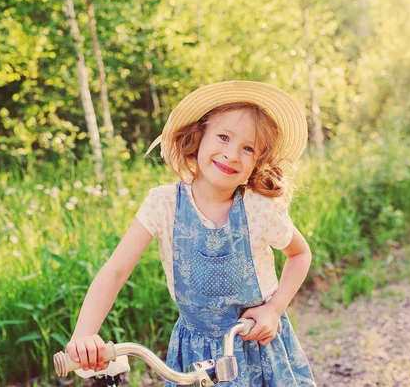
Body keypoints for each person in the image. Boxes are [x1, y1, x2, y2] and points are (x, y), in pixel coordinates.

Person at [66, 80, 316, 386]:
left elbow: (300, 253)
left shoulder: (259, 210)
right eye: (223, 137)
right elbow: (116, 271)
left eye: (248, 148)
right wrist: (84, 334)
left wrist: (273, 310)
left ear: (258, 163)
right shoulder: (164, 204)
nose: (232, 154)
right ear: (198, 139)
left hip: (255, 348)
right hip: (194, 351)